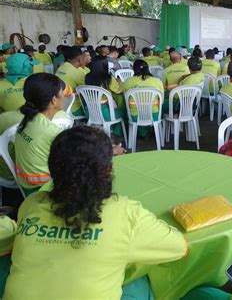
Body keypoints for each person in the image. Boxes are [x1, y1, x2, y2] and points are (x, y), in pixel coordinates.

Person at [5, 126, 187, 299]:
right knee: (138, 277)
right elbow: (180, 247)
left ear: (52, 169)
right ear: (109, 170)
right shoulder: (126, 213)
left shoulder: (31, 205)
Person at [14, 73, 65, 193]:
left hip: (25, 182)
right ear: (54, 100)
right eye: (62, 92)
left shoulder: (28, 119)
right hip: (41, 188)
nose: (65, 96)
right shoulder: (52, 131)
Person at [85, 57, 126, 136]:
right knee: (122, 110)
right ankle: (117, 133)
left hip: (90, 112)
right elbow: (118, 90)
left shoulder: (87, 77)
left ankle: (109, 129)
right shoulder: (107, 78)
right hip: (105, 114)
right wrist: (120, 82)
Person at [55, 46, 88, 116]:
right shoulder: (77, 73)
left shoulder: (62, 67)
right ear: (79, 59)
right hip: (73, 108)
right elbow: (91, 87)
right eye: (84, 58)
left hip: (60, 106)